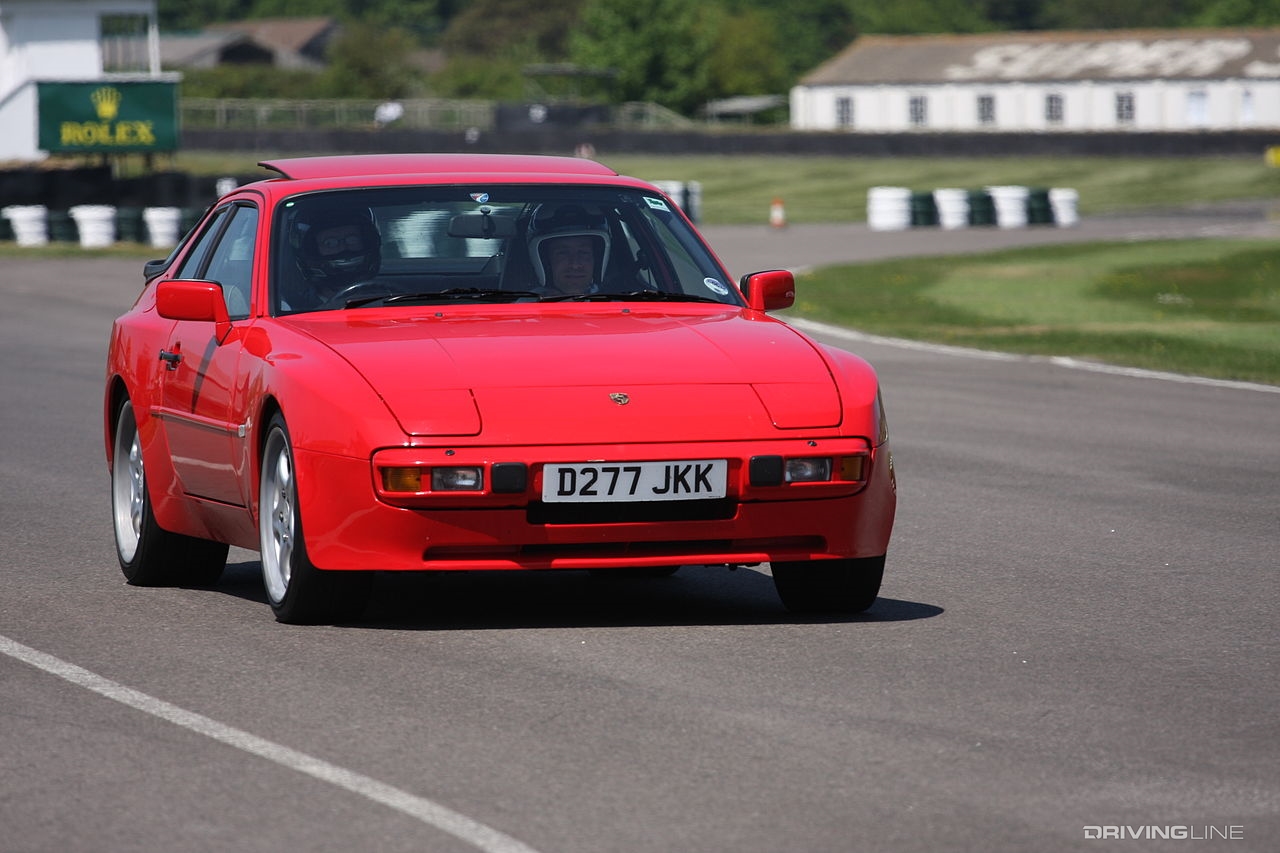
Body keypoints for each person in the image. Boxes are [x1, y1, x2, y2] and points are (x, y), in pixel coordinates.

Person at [282, 208, 382, 311]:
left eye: (352, 239)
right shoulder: (294, 309)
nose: (343, 248)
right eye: (329, 243)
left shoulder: (388, 298)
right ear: (313, 250)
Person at [525, 204, 611, 296]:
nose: (575, 265)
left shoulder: (617, 301)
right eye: (563, 253)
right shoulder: (523, 304)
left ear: (597, 260)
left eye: (583, 252)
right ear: (545, 261)